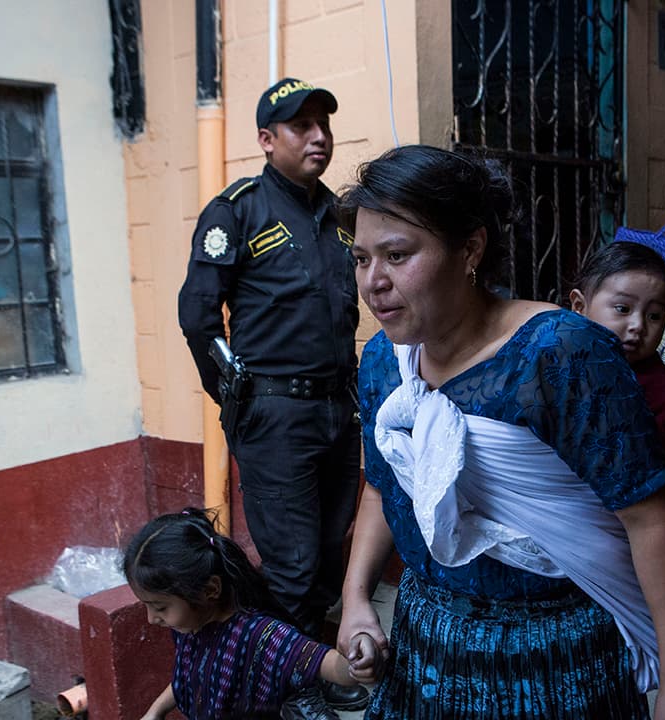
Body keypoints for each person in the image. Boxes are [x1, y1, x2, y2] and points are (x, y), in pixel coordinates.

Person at [335, 145, 665, 720]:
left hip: (559, 653)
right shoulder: (385, 363)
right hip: (426, 646)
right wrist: (356, 599)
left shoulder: (560, 353)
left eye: (396, 254)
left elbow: (651, 518)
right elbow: (384, 488)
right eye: (362, 258)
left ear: (470, 249)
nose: (374, 282)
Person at [176, 77, 364, 717]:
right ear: (267, 139)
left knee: (330, 547)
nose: (319, 137)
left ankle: (311, 661)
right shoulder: (239, 210)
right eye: (301, 126)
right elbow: (198, 315)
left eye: (324, 125)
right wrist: (237, 402)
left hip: (339, 408)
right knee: (291, 563)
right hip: (275, 415)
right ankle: (290, 688)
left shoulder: (340, 214)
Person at [123, 509, 381, 720]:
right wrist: (157, 709)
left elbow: (334, 668)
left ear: (210, 589)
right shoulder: (190, 625)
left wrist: (360, 659)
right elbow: (193, 675)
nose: (151, 618)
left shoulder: (262, 636)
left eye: (160, 607)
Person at [569, 241, 665, 545]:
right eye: (623, 309)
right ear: (579, 306)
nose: (638, 326)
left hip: (632, 520)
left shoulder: (661, 388)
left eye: (654, 316)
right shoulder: (563, 363)